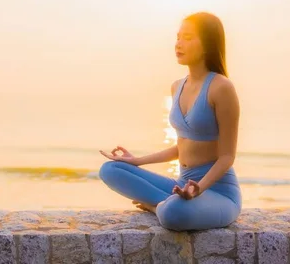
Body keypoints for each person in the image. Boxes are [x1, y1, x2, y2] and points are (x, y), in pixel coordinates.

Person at [98, 12, 241, 231]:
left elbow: (227, 156)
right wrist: (137, 161)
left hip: (217, 192)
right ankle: (166, 202)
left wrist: (199, 188)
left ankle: (159, 207)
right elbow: (182, 146)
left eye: (188, 37)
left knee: (175, 213)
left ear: (207, 44)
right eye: (178, 37)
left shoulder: (221, 88)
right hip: (181, 185)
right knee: (110, 170)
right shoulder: (177, 86)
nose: (179, 44)